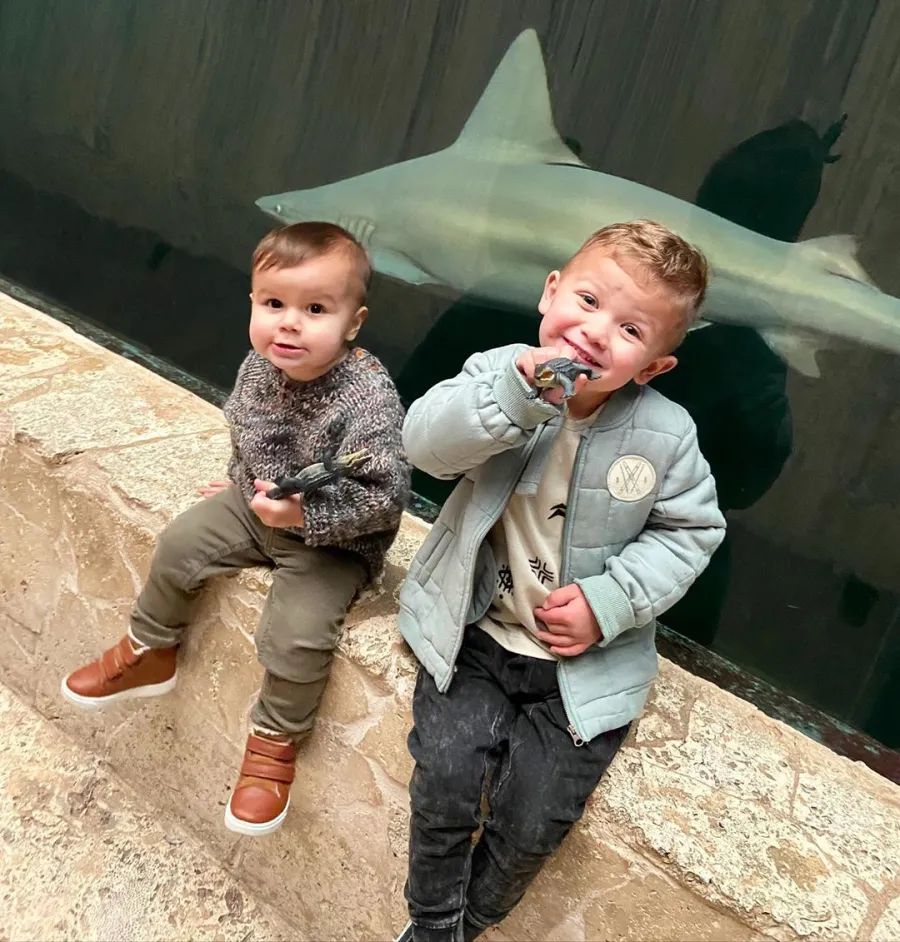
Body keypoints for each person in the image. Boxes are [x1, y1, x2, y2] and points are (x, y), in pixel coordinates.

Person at [395, 220, 726, 941]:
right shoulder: (499, 369)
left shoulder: (666, 435)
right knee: (446, 780)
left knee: (536, 814)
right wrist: (511, 402)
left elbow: (693, 531)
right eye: (586, 300)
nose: (596, 332)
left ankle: (462, 927)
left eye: (631, 329)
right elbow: (422, 445)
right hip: (475, 627)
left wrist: (610, 604)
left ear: (652, 368)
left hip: (582, 666)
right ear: (549, 293)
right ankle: (430, 924)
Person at [60, 221, 410, 837]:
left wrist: (306, 515)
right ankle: (151, 648)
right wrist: (240, 480)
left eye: (315, 309)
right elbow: (246, 426)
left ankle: (274, 743)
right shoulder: (259, 366)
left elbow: (387, 500)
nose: (289, 323)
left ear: (353, 322)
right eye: (273, 304)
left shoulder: (368, 399)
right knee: (179, 544)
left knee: (298, 634)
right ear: (252, 302)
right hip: (254, 506)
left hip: (332, 540)